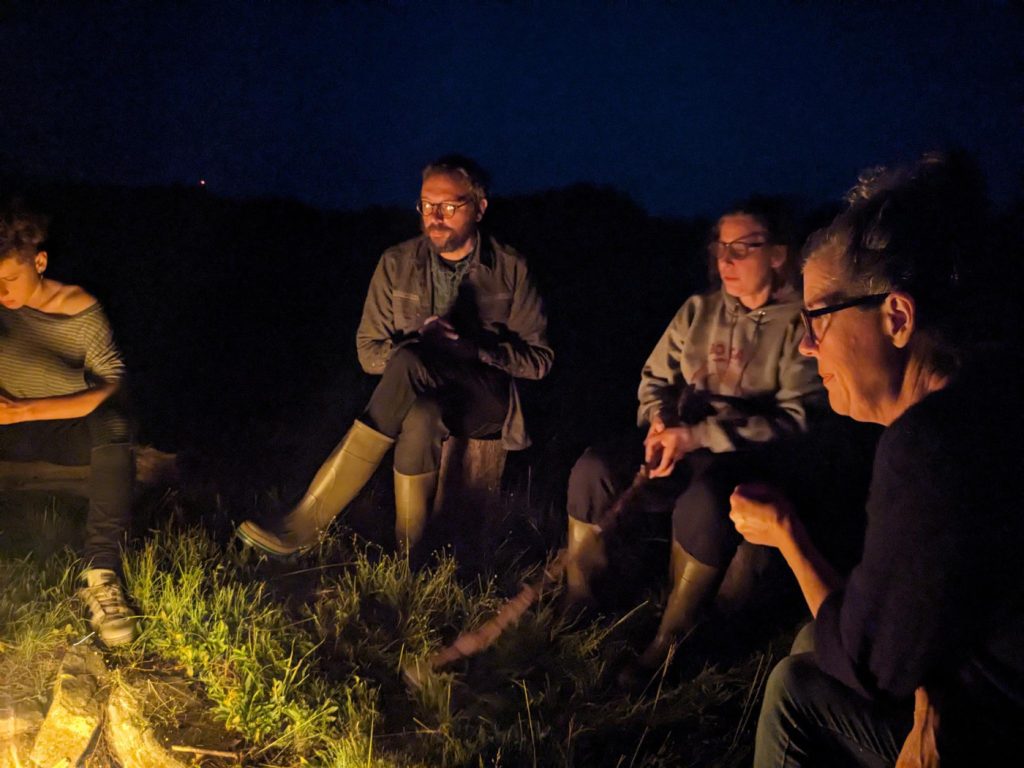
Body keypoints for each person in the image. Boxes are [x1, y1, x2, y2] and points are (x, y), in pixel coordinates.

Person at [730, 153, 1024, 766]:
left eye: (818, 319)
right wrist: (931, 686)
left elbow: (872, 661)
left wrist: (785, 535)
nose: (807, 346)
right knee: (812, 640)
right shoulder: (991, 391)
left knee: (795, 690)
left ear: (896, 315)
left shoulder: (934, 444)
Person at [563, 199, 824, 685]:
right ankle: (580, 601)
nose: (725, 260)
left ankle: (666, 645)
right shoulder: (698, 311)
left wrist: (700, 436)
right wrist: (660, 421)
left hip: (747, 457)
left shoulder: (799, 322)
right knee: (593, 468)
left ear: (778, 254)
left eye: (742, 248)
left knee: (705, 503)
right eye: (721, 247)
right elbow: (654, 377)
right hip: (677, 444)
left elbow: (797, 419)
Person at [237, 155, 553, 556]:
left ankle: (304, 525)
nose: (434, 217)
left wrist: (473, 349)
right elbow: (368, 353)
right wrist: (421, 347)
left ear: (480, 207)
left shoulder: (511, 268)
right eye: (425, 205)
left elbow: (540, 360)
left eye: (449, 206)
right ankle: (412, 556)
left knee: (409, 362)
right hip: (418, 392)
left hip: (483, 396)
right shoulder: (396, 264)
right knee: (420, 412)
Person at [0, 204, 137, 646]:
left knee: (114, 424)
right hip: (6, 429)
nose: (1, 291)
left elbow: (113, 384)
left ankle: (100, 574)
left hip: (59, 430)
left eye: (9, 278)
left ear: (39, 262)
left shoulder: (81, 311)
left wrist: (26, 411)